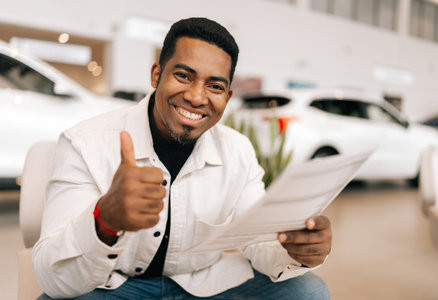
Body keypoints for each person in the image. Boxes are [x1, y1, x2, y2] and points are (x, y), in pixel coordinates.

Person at [33, 17, 332, 299]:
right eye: (183, 76)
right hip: (115, 284)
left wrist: (294, 250)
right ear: (156, 75)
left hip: (204, 284)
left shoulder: (238, 151)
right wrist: (104, 221)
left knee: (307, 292)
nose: (197, 97)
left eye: (214, 86)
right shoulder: (85, 143)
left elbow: (258, 243)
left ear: (227, 97)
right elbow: (51, 275)